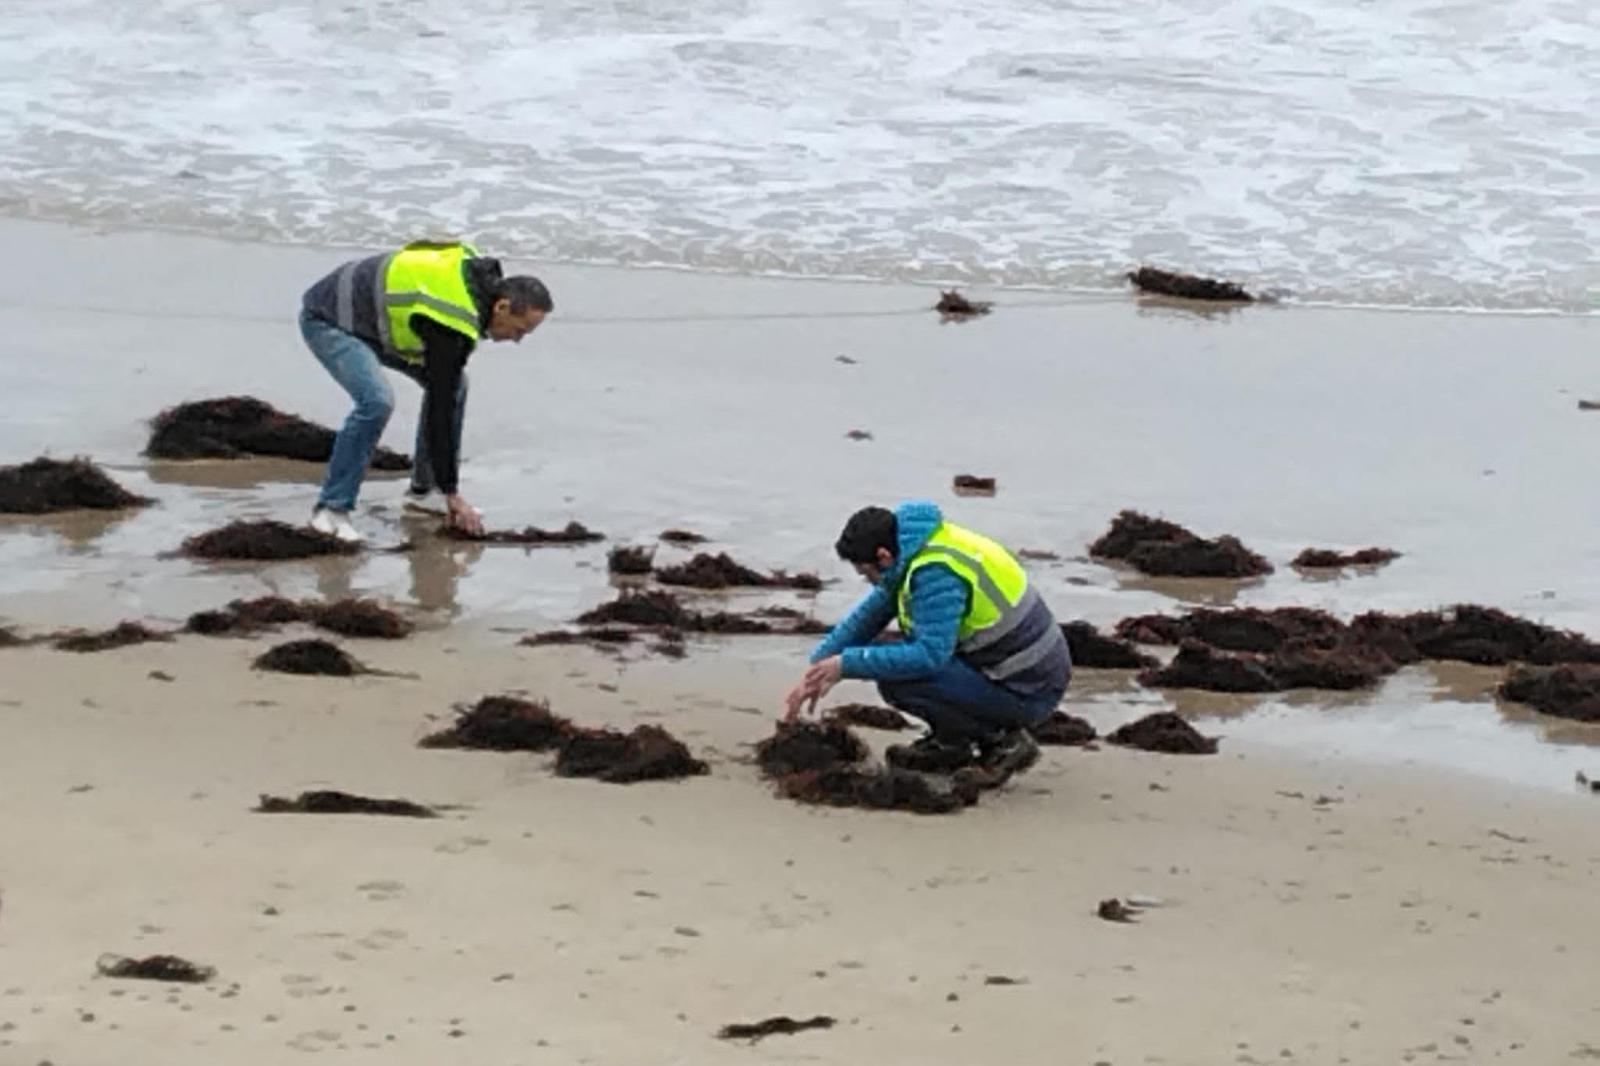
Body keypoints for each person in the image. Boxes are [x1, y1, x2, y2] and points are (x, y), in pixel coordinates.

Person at [785, 500, 1071, 778]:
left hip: (1029, 689)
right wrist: (818, 667)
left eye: (866, 573)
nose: (868, 581)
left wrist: (845, 665)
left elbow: (929, 656)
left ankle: (1001, 741)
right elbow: (869, 615)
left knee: (899, 679)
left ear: (883, 556)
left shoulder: (936, 574)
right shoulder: (915, 546)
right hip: (1015, 670)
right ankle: (952, 743)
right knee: (883, 658)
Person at [298, 240, 553, 543]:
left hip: (375, 321)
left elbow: (444, 389)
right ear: (501, 307)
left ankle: (422, 491)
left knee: (456, 384)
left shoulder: (477, 289)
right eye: (519, 330)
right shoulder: (452, 319)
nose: (517, 340)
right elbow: (439, 409)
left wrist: (445, 489)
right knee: (376, 402)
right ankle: (330, 510)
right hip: (330, 319)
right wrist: (453, 493)